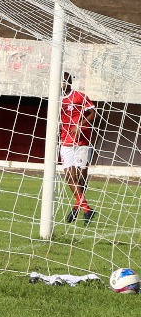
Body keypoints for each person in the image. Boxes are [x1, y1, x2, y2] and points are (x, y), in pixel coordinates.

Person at [59, 72, 97, 224]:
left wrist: (80, 125)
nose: (61, 84)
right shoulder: (56, 98)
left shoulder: (79, 96)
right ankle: (87, 209)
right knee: (69, 176)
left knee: (81, 177)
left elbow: (93, 113)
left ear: (68, 82)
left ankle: (77, 207)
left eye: (63, 81)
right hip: (65, 140)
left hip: (81, 141)